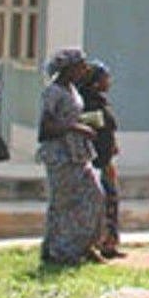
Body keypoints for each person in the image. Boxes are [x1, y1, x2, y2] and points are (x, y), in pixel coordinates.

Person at [38, 48, 107, 266]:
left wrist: (87, 123)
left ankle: (84, 244)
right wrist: (76, 128)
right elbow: (45, 127)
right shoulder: (54, 92)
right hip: (61, 155)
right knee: (63, 203)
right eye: (82, 66)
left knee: (94, 196)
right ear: (69, 68)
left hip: (78, 153)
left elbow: (70, 115)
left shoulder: (72, 90)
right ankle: (60, 250)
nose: (85, 70)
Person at [79, 60, 123, 259]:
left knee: (111, 200)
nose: (109, 81)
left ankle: (109, 244)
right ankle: (98, 243)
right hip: (95, 161)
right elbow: (93, 131)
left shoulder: (100, 101)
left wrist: (112, 147)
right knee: (101, 201)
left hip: (106, 159)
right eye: (106, 78)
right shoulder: (87, 103)